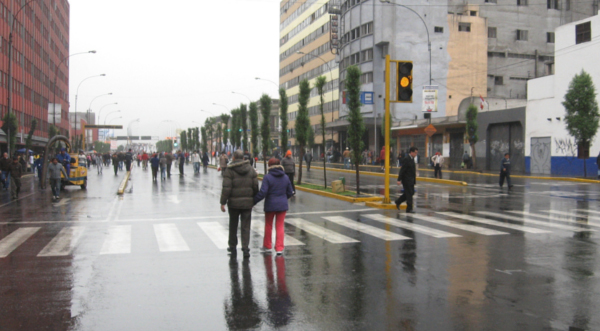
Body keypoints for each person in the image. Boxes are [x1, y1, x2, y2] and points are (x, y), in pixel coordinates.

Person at [220, 150, 259, 258]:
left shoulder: (230, 170)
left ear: (233, 157)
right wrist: (254, 199)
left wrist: (223, 202)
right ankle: (245, 248)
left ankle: (232, 246)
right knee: (246, 226)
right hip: (247, 203)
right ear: (243, 158)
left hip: (233, 203)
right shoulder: (250, 169)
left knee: (233, 224)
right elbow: (255, 186)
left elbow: (226, 188)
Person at [254, 158, 294, 255]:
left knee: (268, 225)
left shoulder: (267, 177)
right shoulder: (285, 177)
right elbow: (290, 192)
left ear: (269, 166)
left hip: (270, 205)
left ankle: (267, 246)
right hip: (282, 205)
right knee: (280, 226)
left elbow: (263, 192)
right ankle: (279, 248)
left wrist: (253, 201)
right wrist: (284, 198)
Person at [395, 147, 418, 213]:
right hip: (406, 180)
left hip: (411, 180)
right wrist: (399, 179)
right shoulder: (406, 159)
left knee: (411, 193)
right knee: (409, 194)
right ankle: (409, 209)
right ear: (411, 152)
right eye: (415, 152)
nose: (416, 154)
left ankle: (398, 201)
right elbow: (402, 170)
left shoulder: (412, 159)